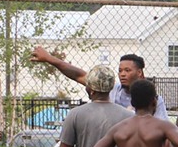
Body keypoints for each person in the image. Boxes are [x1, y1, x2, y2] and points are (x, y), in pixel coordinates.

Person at [30, 46, 169, 120]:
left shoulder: (153, 100)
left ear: (139, 72)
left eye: (127, 70)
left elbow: (163, 129)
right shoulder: (111, 89)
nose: (122, 74)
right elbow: (80, 75)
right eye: (120, 71)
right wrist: (49, 59)